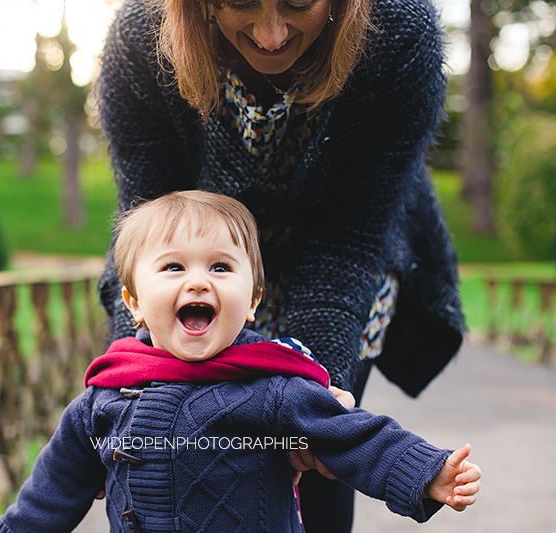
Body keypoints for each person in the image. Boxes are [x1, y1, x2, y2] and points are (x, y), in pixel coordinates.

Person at [96, 1, 464, 529]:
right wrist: (135, 385)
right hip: (197, 261)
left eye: (298, 3)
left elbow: (348, 240)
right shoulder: (142, 37)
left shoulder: (396, 30)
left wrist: (318, 391)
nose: (271, 35)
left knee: (309, 452)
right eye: (241, 3)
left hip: (342, 261)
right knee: (178, 438)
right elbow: (149, 235)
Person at [0, 191, 480, 533]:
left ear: (252, 299)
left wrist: (426, 472)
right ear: (133, 301)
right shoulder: (103, 400)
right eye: (174, 266)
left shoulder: (272, 387)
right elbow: (46, 500)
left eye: (220, 267)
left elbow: (357, 437)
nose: (198, 281)